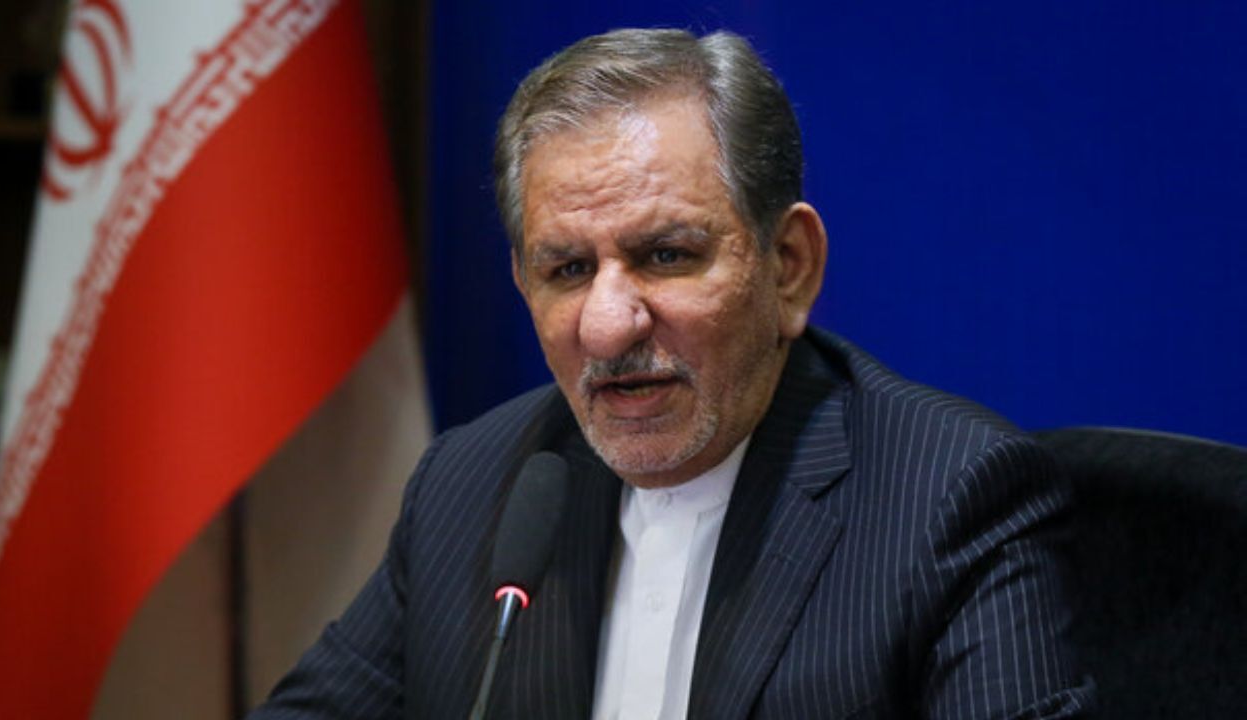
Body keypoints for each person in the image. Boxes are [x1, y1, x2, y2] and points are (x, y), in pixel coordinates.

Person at [250, 28, 1094, 719]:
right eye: (567, 270)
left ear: (789, 266)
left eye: (665, 256)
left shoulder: (947, 497)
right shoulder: (471, 486)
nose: (608, 324)